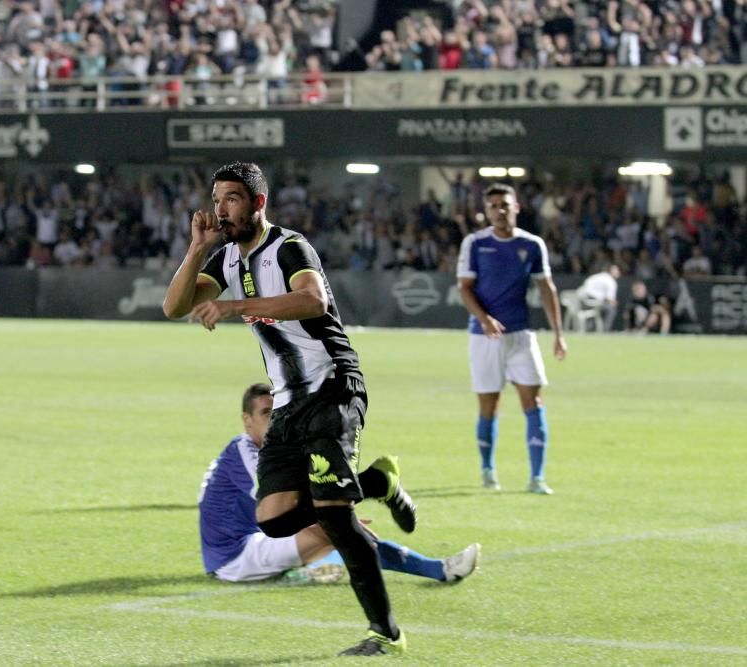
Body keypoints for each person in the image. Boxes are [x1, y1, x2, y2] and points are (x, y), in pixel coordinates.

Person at [164, 162, 416, 656]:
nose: (221, 209)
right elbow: (174, 307)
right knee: (275, 519)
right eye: (217, 200)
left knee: (336, 517)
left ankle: (385, 635)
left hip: (332, 387)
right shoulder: (226, 261)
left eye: (232, 199)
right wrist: (197, 249)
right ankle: (378, 483)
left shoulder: (289, 246)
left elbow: (313, 301)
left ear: (258, 203)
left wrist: (237, 308)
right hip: (287, 403)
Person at [199, 383, 481, 586]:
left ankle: (314, 566)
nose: (274, 420)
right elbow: (287, 507)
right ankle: (439, 570)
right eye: (265, 413)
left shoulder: (272, 451)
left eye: (278, 411)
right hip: (234, 555)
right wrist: (336, 510)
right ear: (247, 421)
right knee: (333, 528)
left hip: (261, 536)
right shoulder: (245, 454)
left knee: (338, 524)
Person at [456, 183, 567, 495]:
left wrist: (559, 333)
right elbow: (464, 288)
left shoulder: (532, 245)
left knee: (534, 401)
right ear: (487, 211)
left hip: (521, 335)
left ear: (516, 207)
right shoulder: (475, 244)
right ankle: (488, 470)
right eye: (493, 206)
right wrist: (484, 318)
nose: (499, 210)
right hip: (484, 337)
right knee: (489, 405)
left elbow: (547, 289)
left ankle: (537, 478)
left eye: (504, 204)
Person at [576, 264, 622, 332]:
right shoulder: (611, 281)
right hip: (590, 301)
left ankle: (590, 328)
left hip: (580, 301)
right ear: (610, 271)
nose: (618, 272)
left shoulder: (596, 276)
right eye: (616, 270)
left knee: (594, 311)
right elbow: (609, 299)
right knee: (611, 309)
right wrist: (615, 303)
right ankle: (605, 330)